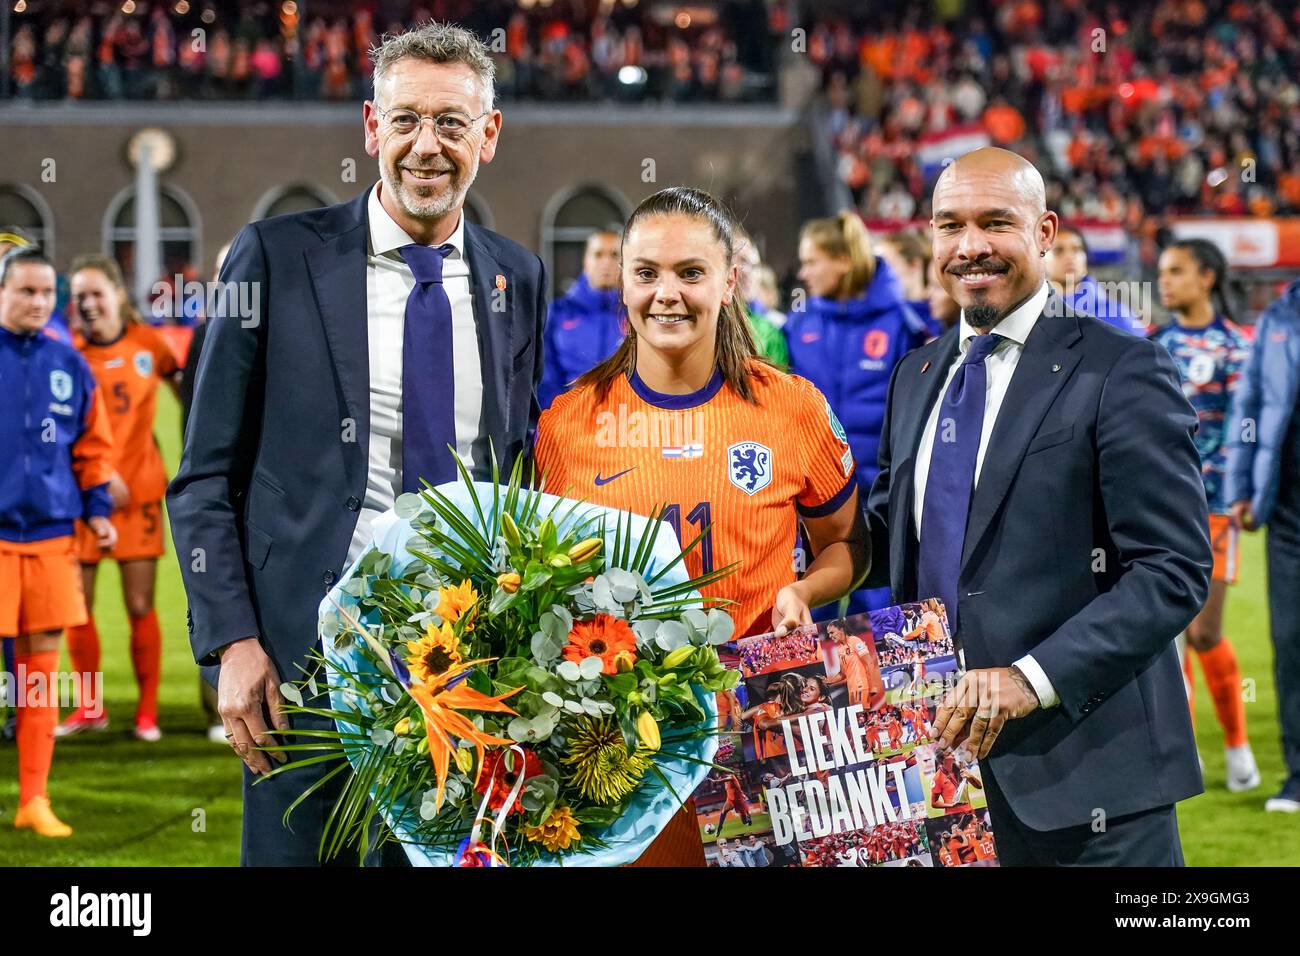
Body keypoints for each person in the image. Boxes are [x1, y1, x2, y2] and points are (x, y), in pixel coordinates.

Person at [168, 22, 547, 866]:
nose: (427, 146)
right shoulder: (272, 257)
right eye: (406, 119)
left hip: (466, 670)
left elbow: (512, 465)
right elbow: (202, 478)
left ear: (489, 135)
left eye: (452, 123)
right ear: (371, 127)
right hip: (297, 675)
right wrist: (232, 642)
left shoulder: (515, 278)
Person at [866, 147, 1209, 866]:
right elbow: (891, 534)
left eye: (996, 223)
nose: (971, 247)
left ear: (1046, 231)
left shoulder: (1123, 368)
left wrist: (1031, 679)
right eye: (950, 226)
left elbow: (1172, 571)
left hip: (1093, 787)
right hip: (943, 779)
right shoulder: (917, 375)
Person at [533, 186, 871, 864]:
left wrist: (805, 591)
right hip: (620, 751)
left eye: (691, 272)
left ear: (728, 282)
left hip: (756, 736)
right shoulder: (566, 424)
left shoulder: (792, 409)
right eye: (647, 272)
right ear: (622, 283)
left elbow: (845, 545)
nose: (667, 293)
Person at [0, 248, 117, 837]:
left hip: (50, 540)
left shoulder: (69, 364)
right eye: (26, 291)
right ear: (2, 293)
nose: (38, 302)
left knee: (40, 673)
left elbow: (93, 451)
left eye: (47, 293)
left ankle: (34, 800)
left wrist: (97, 511)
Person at [56, 255, 181, 742]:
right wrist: (97, 475)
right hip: (85, 498)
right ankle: (90, 709)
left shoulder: (150, 344)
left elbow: (187, 396)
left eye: (95, 293)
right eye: (79, 296)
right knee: (78, 607)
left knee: (137, 604)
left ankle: (146, 715)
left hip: (140, 499)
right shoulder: (70, 354)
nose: (87, 304)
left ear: (117, 295)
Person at [1153, 238, 1260, 791]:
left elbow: (1245, 429)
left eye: (1176, 271)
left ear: (1208, 278)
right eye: (1161, 272)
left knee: (1204, 630)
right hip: (1160, 510)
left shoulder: (1236, 346)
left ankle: (1238, 744)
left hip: (1213, 508)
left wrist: (1220, 484)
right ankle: (1185, 754)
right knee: (1166, 632)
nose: (1164, 281)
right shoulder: (1155, 345)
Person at [785, 211, 926, 618]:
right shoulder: (800, 322)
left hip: (880, 488)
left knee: (877, 600)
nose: (803, 272)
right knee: (814, 591)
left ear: (843, 260)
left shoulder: (902, 321)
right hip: (815, 490)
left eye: (812, 261)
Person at [1225, 275, 1300, 813]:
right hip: (1290, 509)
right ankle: (1298, 773)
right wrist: (1241, 487)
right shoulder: (1279, 317)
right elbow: (1248, 405)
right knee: (1291, 641)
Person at [538, 227, 623, 409]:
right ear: (586, 261)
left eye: (614, 254)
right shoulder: (559, 313)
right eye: (598, 254)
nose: (606, 262)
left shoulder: (637, 314)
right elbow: (546, 376)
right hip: (572, 423)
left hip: (628, 423)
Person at [1045, 225, 1147, 336]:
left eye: (1077, 249)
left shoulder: (1114, 313)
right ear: (1041, 260)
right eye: (1058, 250)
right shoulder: (1032, 313)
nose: (1070, 257)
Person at [733, 227, 790, 369]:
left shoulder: (770, 330)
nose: (748, 272)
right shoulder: (705, 322)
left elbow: (778, 387)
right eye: (741, 261)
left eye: (755, 265)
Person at [878, 228, 944, 340]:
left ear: (914, 265)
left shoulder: (940, 312)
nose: (882, 275)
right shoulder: (884, 314)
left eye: (888, 266)